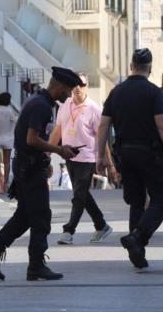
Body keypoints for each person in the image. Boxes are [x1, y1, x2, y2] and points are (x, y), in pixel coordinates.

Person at [0, 67, 81, 282]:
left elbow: (34, 141)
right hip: (29, 170)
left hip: (30, 166)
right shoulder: (41, 107)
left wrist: (45, 158)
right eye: (69, 90)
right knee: (42, 218)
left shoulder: (41, 104)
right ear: (60, 86)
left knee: (24, 216)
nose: (70, 95)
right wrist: (58, 150)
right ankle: (35, 266)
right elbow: (31, 139)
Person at [96, 48, 163, 269]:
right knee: (162, 199)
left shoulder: (116, 92)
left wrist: (100, 157)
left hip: (125, 154)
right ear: (150, 68)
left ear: (131, 66)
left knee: (136, 201)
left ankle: (137, 252)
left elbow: (104, 125)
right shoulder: (153, 93)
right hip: (149, 154)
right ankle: (138, 236)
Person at [50, 73, 111, 246]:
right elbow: (57, 131)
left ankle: (68, 231)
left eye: (82, 84)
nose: (78, 88)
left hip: (87, 157)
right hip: (69, 155)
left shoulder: (94, 109)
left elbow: (102, 137)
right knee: (82, 194)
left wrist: (106, 160)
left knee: (78, 195)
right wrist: (46, 152)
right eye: (75, 84)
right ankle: (101, 225)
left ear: (87, 87)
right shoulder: (65, 105)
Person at [0, 92, 17, 188]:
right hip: (8, 139)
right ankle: (5, 184)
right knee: (6, 162)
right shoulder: (9, 110)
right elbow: (15, 121)